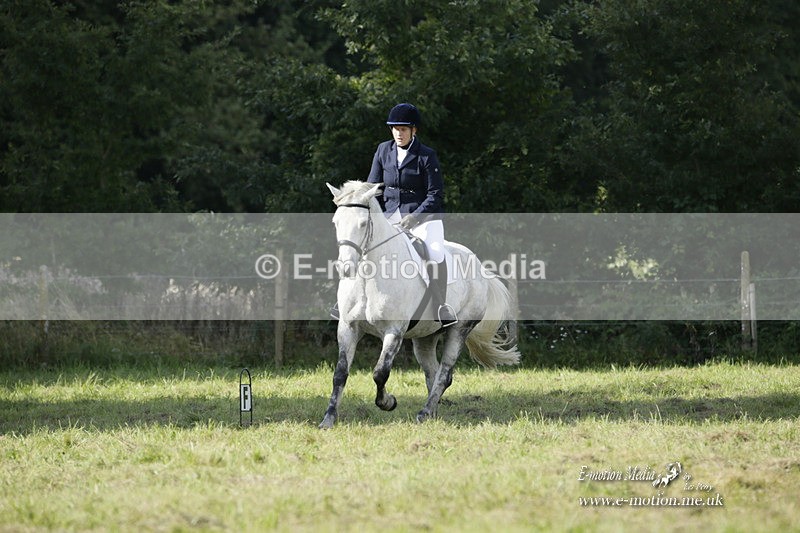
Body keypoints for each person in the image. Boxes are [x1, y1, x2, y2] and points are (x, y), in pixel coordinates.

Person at [331, 103, 457, 327]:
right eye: (396, 129)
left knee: (435, 253)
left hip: (423, 217)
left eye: (404, 129)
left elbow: (435, 194)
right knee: (361, 246)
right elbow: (371, 188)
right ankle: (344, 303)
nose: (399, 133)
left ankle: (440, 306)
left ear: (413, 130)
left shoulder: (426, 156)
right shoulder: (383, 150)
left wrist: (415, 217)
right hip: (389, 215)